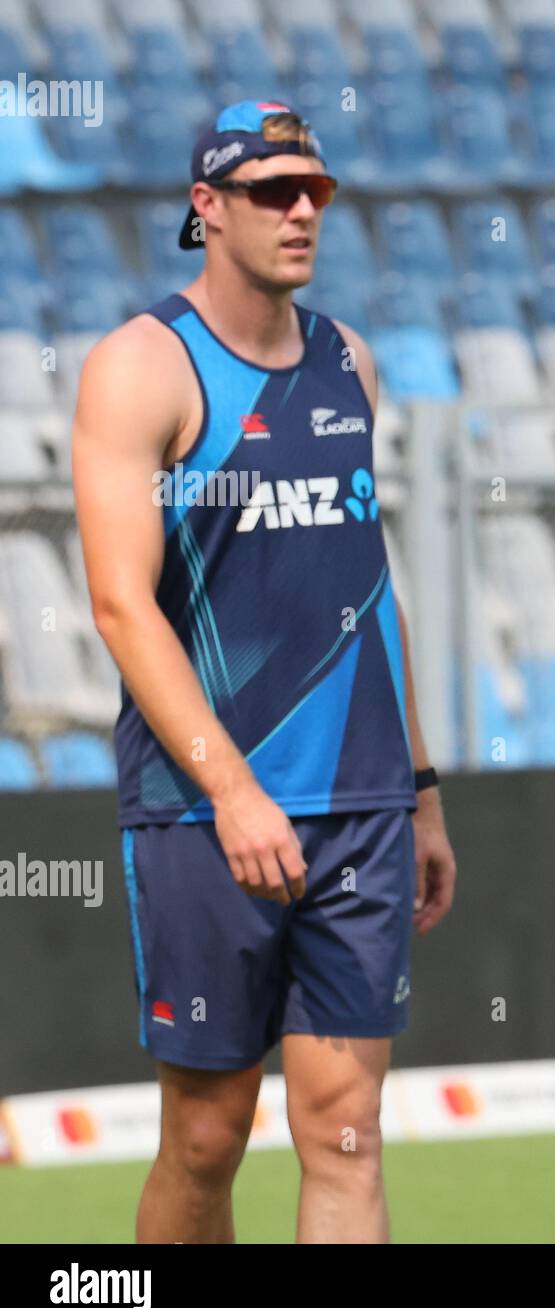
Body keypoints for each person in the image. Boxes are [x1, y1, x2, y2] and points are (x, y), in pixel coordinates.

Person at [71, 100, 457, 1243]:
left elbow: (371, 585)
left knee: (346, 1127)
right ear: (207, 208)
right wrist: (233, 788)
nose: (301, 212)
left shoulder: (351, 361)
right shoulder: (142, 367)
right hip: (202, 808)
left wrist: (423, 785)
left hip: (361, 800)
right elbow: (116, 603)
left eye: (315, 193)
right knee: (206, 1132)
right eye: (269, 192)